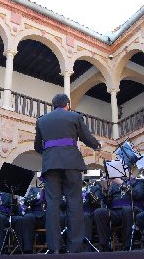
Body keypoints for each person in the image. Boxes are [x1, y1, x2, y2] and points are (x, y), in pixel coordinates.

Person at [34, 93, 101, 253]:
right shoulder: (74, 116)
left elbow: (37, 146)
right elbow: (86, 137)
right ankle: (75, 247)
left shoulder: (42, 120)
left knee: (52, 205)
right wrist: (97, 145)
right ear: (67, 104)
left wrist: (50, 153)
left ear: (54, 105)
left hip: (50, 164)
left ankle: (54, 248)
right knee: (74, 203)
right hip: (71, 163)